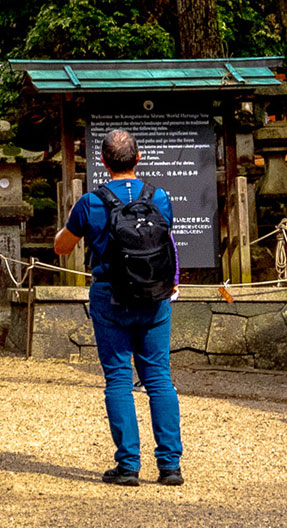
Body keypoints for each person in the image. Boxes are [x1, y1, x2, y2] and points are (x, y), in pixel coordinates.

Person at [55, 129, 184, 486]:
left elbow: (62, 247)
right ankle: (170, 465)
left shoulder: (90, 202)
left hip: (110, 295)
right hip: (154, 296)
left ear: (103, 162)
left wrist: (70, 225)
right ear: (138, 158)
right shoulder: (160, 197)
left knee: (117, 378)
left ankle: (128, 464)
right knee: (158, 377)